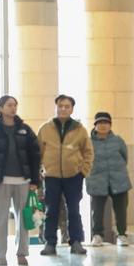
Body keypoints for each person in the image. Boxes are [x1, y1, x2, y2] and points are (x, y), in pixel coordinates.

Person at [0, 96, 42, 266]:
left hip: (23, 181)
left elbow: (35, 156)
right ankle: (1, 254)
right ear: (0, 108)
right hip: (0, 182)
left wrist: (34, 180)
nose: (13, 108)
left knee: (24, 218)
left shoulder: (25, 130)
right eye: (9, 105)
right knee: (0, 218)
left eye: (15, 105)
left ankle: (22, 253)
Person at [37, 94, 93, 257]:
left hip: (73, 176)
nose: (63, 109)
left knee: (74, 210)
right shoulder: (45, 129)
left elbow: (88, 153)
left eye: (67, 106)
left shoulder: (80, 130)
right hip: (52, 176)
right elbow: (38, 152)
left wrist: (83, 172)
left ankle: (76, 241)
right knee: (51, 210)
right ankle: (50, 242)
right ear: (56, 108)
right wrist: (39, 171)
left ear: (72, 109)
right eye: (60, 106)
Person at [86, 112, 132, 247]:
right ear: (95, 126)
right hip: (96, 179)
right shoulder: (88, 142)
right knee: (97, 211)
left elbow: (125, 157)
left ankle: (121, 235)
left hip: (119, 179)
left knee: (121, 210)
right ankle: (97, 236)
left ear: (110, 125)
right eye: (100, 123)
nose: (103, 126)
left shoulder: (118, 141)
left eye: (106, 123)